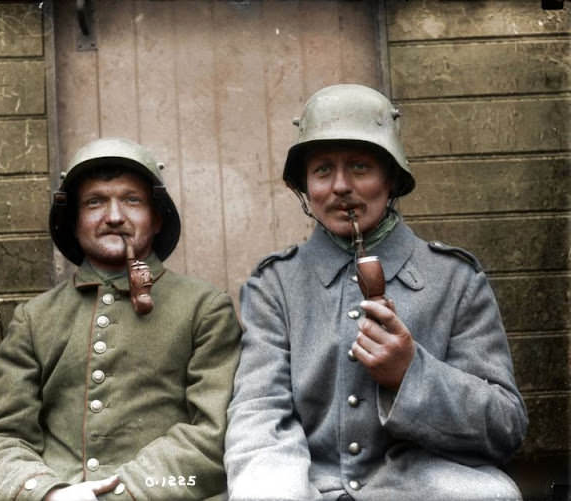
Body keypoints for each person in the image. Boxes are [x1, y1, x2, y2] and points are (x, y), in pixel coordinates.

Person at [224, 84, 528, 500]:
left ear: (391, 179)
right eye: (322, 171)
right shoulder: (276, 284)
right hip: (311, 483)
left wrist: (410, 373)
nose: (340, 187)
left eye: (361, 167)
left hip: (419, 485)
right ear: (306, 188)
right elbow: (259, 416)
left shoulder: (455, 279)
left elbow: (504, 427)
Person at [0, 137, 241, 501]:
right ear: (74, 221)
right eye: (95, 202)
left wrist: (122, 494)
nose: (113, 217)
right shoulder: (35, 319)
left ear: (156, 218)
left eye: (132, 200)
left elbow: (212, 434)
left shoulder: (204, 309)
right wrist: (47, 494)